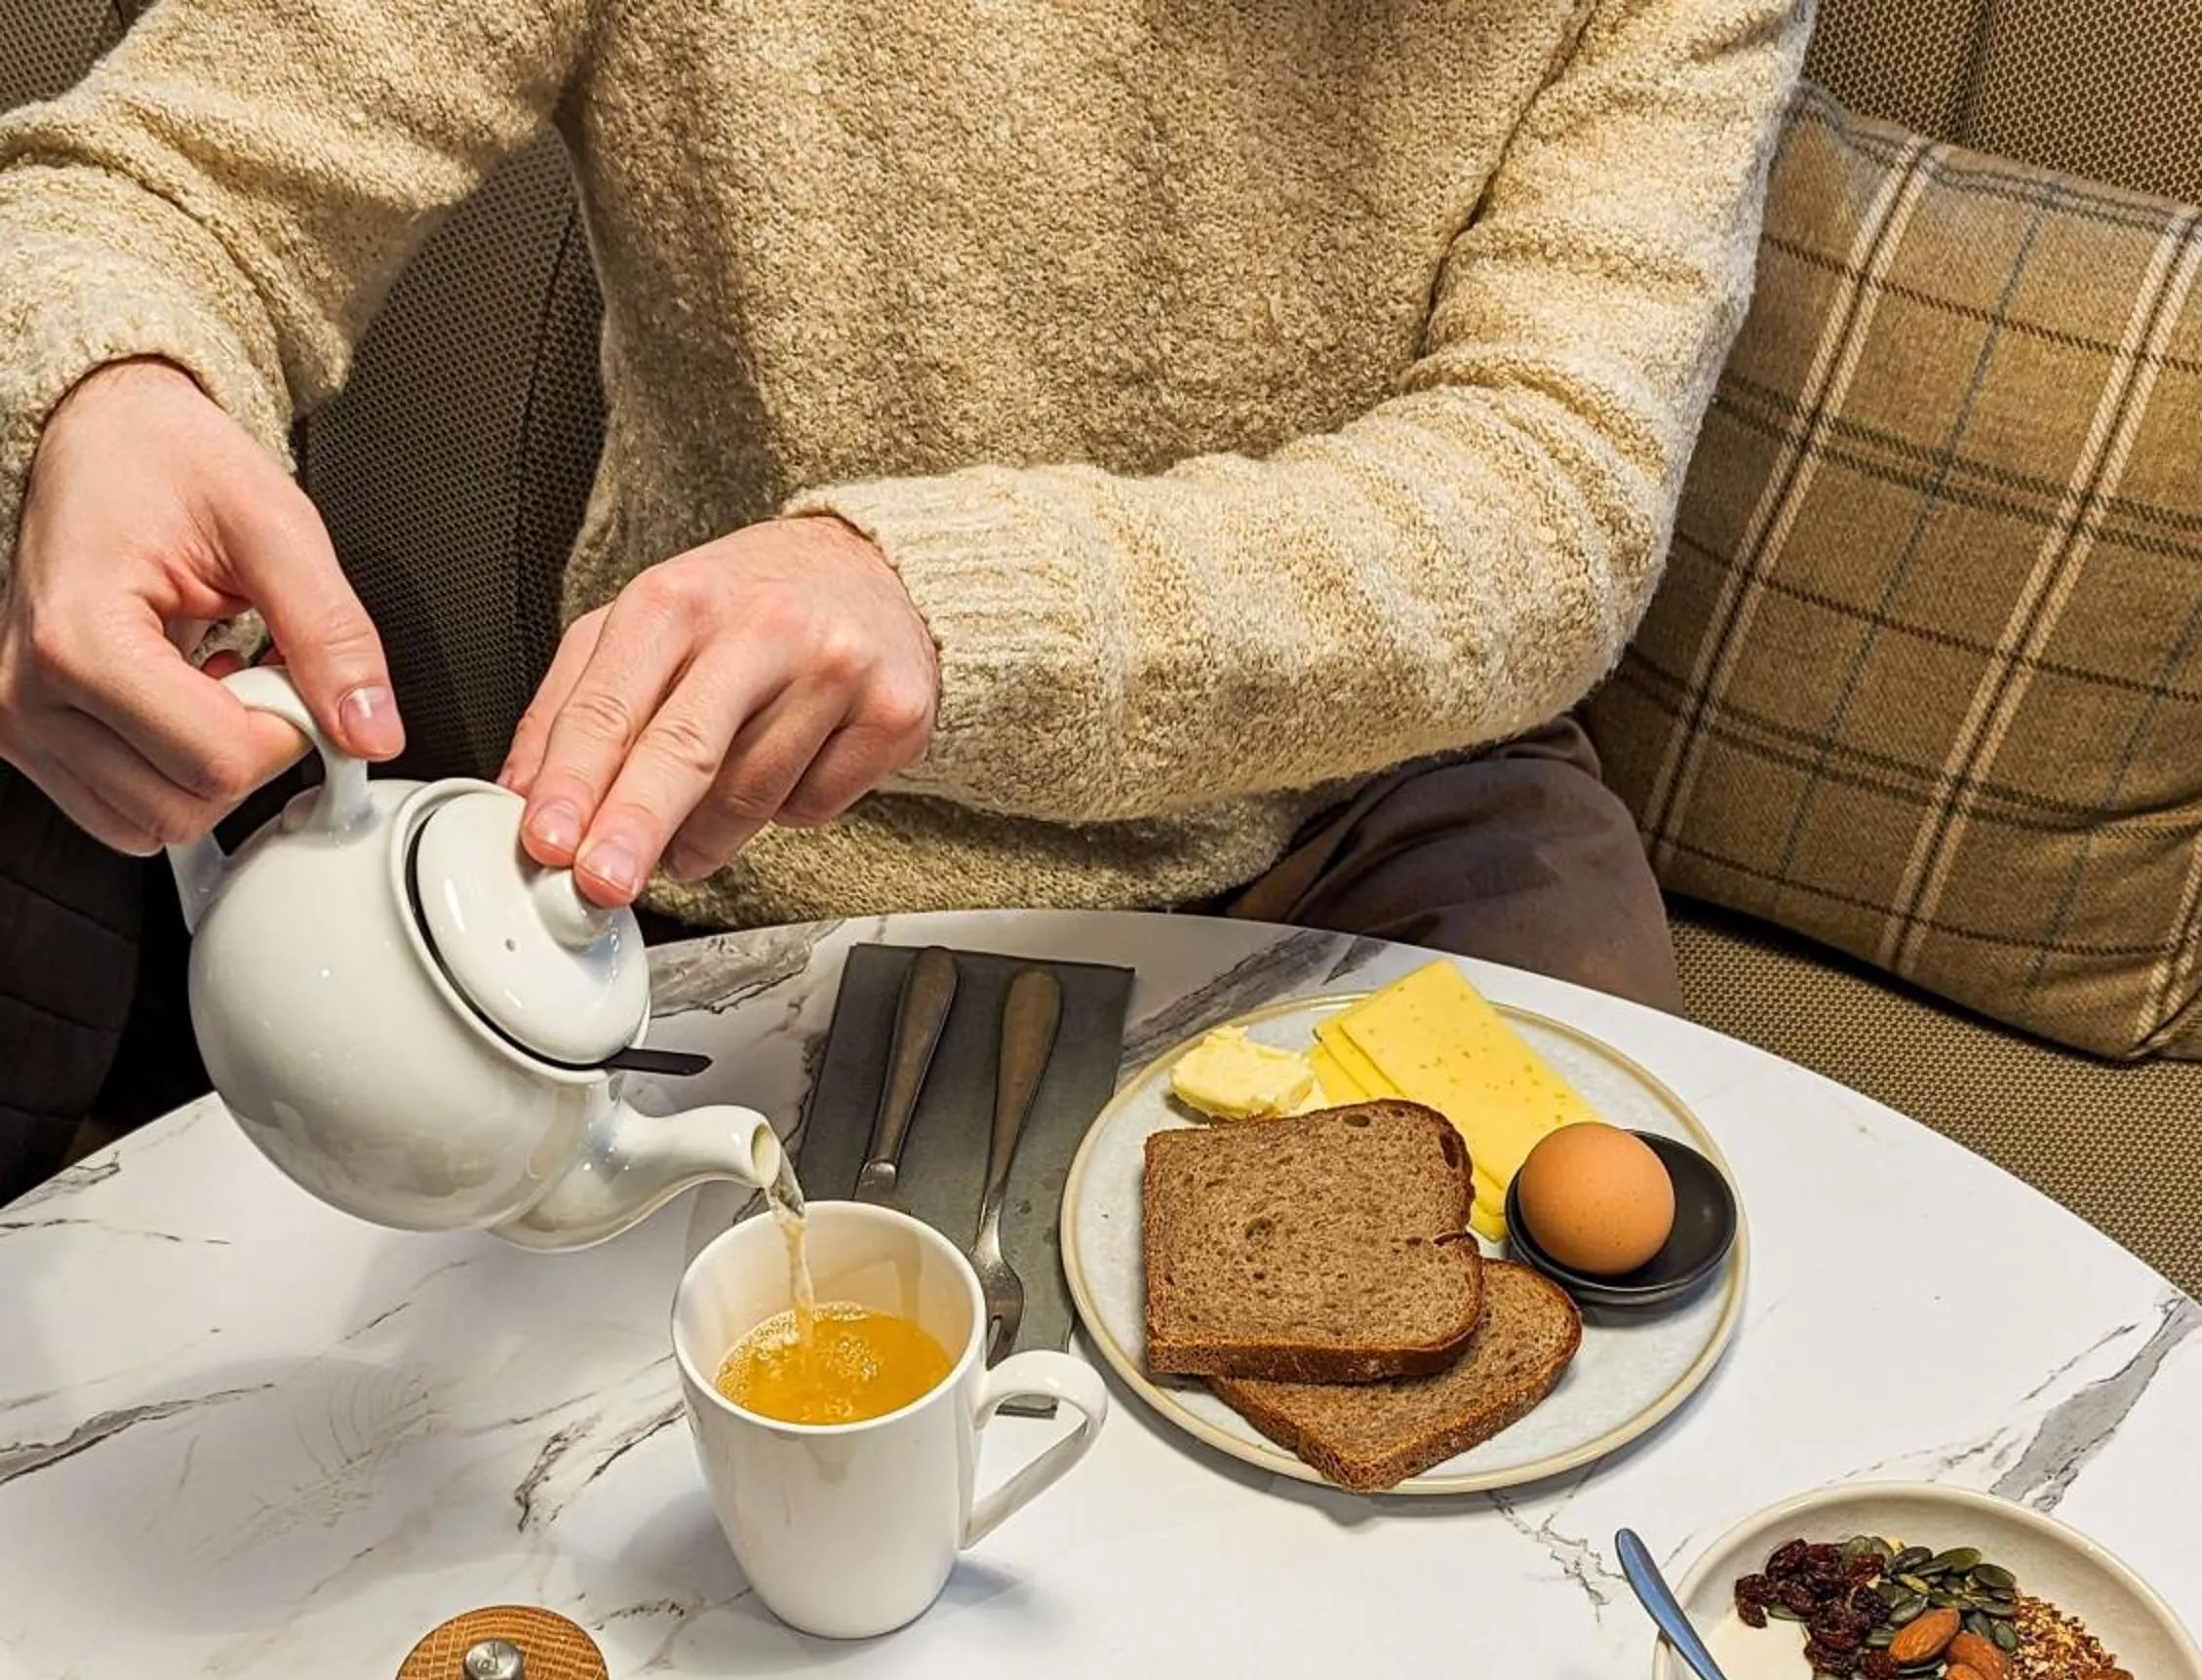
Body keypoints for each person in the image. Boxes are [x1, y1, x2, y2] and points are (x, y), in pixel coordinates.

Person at [0, 0, 1807, 1182]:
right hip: (709, 837)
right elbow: (170, 176)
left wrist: (943, 597)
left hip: (1378, 808)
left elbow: (1551, 493)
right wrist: (108, 382)